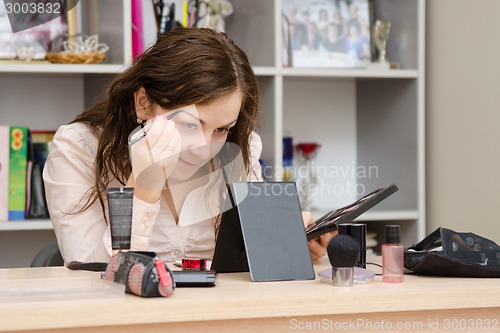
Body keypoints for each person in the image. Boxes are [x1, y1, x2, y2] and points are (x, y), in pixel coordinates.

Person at [43, 28, 333, 265]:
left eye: (221, 129)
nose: (204, 149)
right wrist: (142, 189)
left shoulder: (240, 148)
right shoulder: (78, 148)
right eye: (189, 125)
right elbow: (88, 272)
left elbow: (245, 262)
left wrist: (287, 244)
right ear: (143, 103)